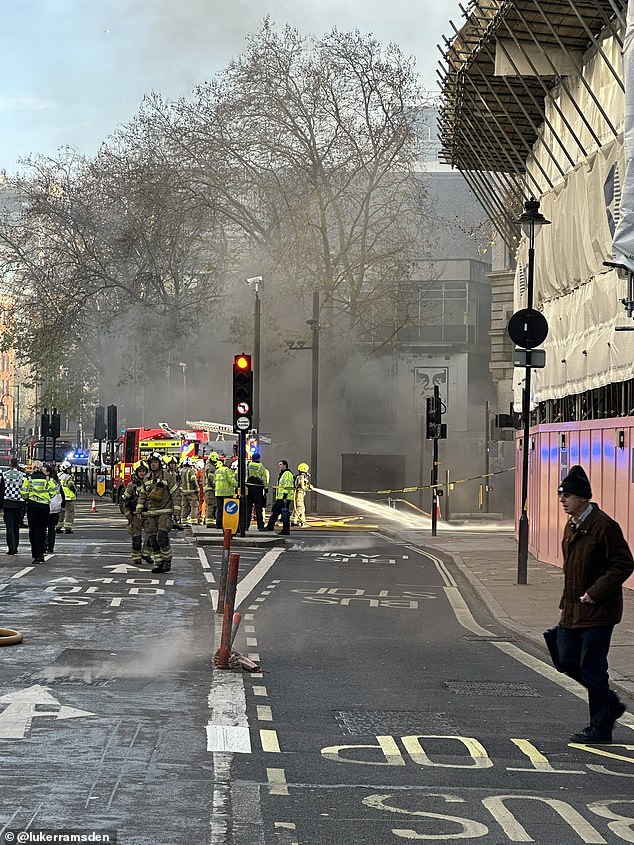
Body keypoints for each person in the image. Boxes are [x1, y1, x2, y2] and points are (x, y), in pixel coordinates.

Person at [556, 465, 634, 744]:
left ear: (583, 497)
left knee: (592, 667)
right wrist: (565, 603)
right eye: (561, 495)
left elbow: (623, 564)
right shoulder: (571, 526)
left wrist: (596, 592)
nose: (563, 500)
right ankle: (611, 705)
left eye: (568, 495)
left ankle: (600, 727)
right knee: (565, 659)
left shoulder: (603, 526)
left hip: (599, 610)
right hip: (574, 609)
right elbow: (571, 570)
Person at [135, 452, 180, 573]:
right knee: (153, 540)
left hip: (164, 512)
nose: (153, 464)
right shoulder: (147, 478)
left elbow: (175, 494)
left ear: (160, 463)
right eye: (151, 462)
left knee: (162, 537)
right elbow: (142, 495)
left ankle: (167, 561)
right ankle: (159, 563)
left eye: (155, 462)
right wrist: (139, 509)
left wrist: (176, 511)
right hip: (151, 514)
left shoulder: (167, 476)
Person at [20, 460, 58, 564]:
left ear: (32, 468)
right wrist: (46, 497)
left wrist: (29, 498)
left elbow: (24, 493)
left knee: (33, 531)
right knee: (42, 530)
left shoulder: (28, 479)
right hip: (44, 507)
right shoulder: (47, 479)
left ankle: (36, 555)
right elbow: (53, 492)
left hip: (32, 506)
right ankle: (41, 554)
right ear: (41, 468)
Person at [121, 460, 153, 565]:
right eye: (140, 471)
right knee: (136, 537)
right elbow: (125, 501)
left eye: (143, 471)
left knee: (151, 535)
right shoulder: (131, 485)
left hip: (148, 514)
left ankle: (146, 554)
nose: (142, 473)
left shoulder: (151, 484)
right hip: (135, 515)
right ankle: (136, 557)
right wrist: (128, 515)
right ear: (136, 472)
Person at [0, 457, 26, 555]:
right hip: (19, 503)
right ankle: (16, 546)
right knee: (16, 526)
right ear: (18, 465)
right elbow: (24, 489)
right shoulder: (22, 475)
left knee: (9, 527)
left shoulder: (5, 474)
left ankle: (11, 548)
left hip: (7, 503)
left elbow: (1, 490)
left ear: (10, 464)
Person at [265, 459, 295, 535]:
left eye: (281, 465)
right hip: (281, 498)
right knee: (277, 512)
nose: (279, 466)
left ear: (285, 465)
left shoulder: (287, 474)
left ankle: (284, 530)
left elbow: (287, 486)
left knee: (283, 514)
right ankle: (271, 526)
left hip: (284, 498)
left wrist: (284, 497)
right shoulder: (283, 474)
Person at [44, 463, 65, 553]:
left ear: (48, 472)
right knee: (51, 528)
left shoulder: (47, 481)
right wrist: (63, 505)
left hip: (47, 506)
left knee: (43, 527)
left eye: (44, 471)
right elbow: (62, 493)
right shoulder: (57, 481)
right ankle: (51, 546)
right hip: (56, 507)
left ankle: (45, 544)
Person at [246, 451, 269, 531]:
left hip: (249, 488)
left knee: (248, 508)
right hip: (258, 488)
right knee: (258, 508)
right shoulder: (261, 466)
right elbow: (264, 478)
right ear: (258, 458)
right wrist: (266, 488)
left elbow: (246, 475)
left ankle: (246, 526)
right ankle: (260, 526)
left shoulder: (248, 465)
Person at [214, 455, 236, 529]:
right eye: (231, 462)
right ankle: (226, 524)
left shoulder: (217, 470)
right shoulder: (227, 470)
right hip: (227, 494)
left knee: (219, 510)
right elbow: (232, 481)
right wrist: (239, 485)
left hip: (218, 493)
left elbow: (214, 481)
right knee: (227, 511)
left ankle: (218, 525)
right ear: (228, 462)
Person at [57, 460, 77, 533]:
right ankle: (68, 528)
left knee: (60, 512)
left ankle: (58, 527)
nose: (69, 470)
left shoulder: (58, 475)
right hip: (68, 497)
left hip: (60, 497)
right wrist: (75, 492)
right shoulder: (68, 477)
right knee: (69, 512)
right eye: (68, 469)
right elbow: (72, 486)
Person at [179, 457, 200, 526]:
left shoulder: (181, 470)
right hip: (191, 492)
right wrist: (197, 488)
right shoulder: (190, 471)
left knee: (184, 506)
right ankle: (194, 520)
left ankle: (183, 520)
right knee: (194, 506)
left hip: (183, 492)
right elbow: (193, 480)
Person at [291, 462, 311, 528]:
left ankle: (302, 522)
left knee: (302, 508)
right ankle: (293, 521)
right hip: (299, 494)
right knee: (299, 508)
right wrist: (308, 487)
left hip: (300, 493)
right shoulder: (301, 477)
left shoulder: (300, 477)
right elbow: (301, 486)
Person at [202, 452, 218, 527]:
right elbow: (211, 479)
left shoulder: (208, 466)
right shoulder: (211, 467)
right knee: (211, 505)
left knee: (211, 505)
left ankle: (209, 520)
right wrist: (216, 486)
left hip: (208, 489)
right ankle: (209, 522)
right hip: (210, 489)